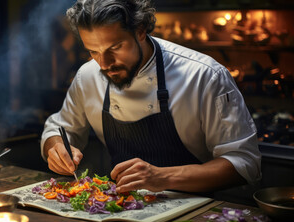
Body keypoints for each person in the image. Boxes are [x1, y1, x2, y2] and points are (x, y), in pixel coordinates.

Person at [41, 0, 261, 194]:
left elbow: (244, 163)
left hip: (195, 211)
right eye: (93, 51)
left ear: (140, 31)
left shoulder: (204, 76)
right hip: (123, 208)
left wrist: (162, 177)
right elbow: (59, 128)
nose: (105, 63)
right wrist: (57, 147)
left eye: (115, 47)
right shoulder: (88, 76)